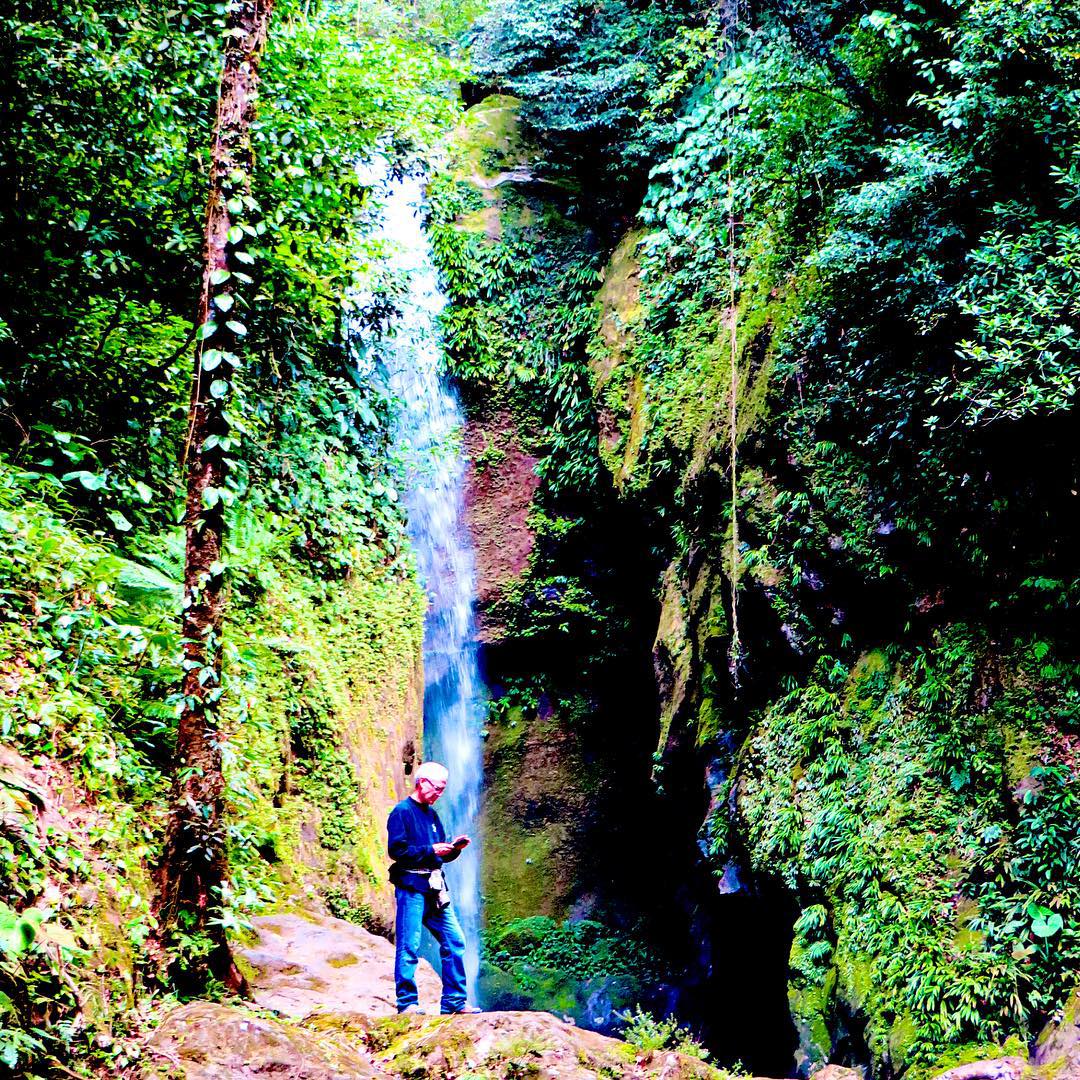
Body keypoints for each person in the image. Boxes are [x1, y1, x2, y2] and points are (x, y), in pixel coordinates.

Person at [387, 760, 481, 1015]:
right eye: (437, 788)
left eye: (443, 789)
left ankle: (454, 1001)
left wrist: (453, 850)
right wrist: (431, 850)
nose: (440, 793)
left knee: (455, 941)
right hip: (412, 888)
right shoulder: (402, 812)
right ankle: (407, 1003)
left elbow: (438, 854)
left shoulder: (432, 815)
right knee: (409, 945)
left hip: (434, 889)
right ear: (422, 782)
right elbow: (397, 851)